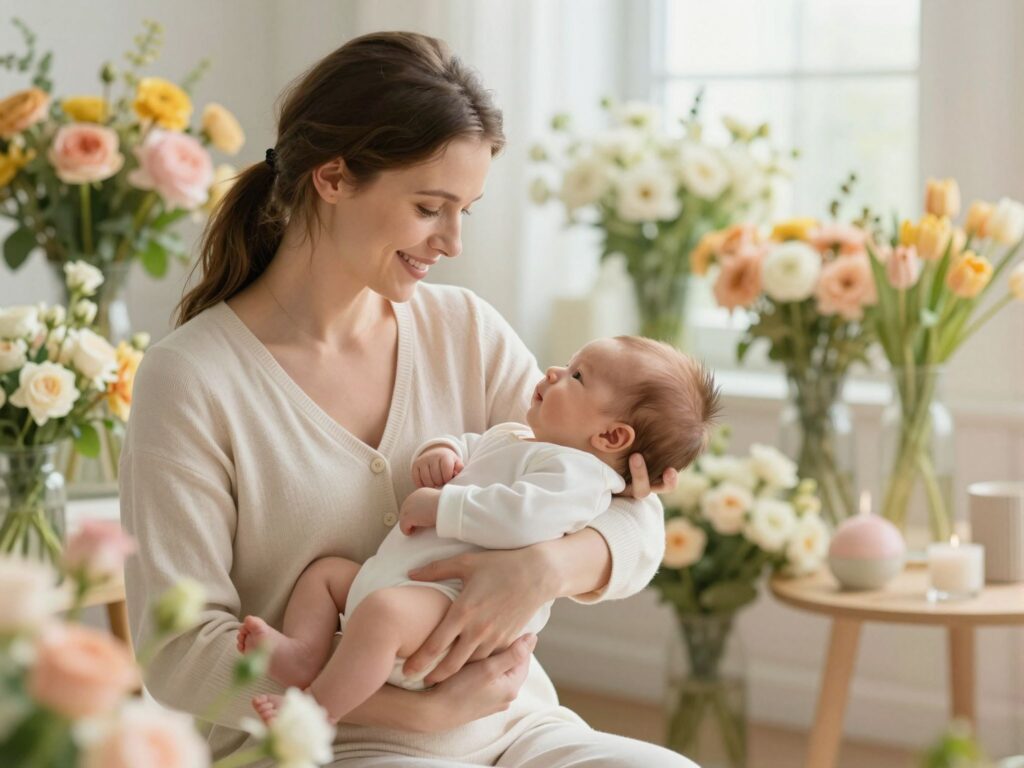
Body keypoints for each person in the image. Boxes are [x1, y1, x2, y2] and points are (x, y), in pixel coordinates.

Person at [121, 31, 698, 767]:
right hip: (323, 742)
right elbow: (177, 652)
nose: (452, 241)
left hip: (515, 726)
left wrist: (548, 568)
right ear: (332, 178)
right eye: (431, 206)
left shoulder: (466, 330)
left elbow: (631, 517)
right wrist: (415, 709)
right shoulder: (193, 379)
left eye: (468, 211)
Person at [238, 336, 720, 725]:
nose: (553, 371)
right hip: (402, 581)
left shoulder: (581, 476)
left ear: (612, 437)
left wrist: (441, 507)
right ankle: (305, 656)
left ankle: (316, 711)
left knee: (382, 616)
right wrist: (442, 452)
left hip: (447, 607)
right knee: (325, 575)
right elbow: (473, 446)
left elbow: (521, 517)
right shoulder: (521, 438)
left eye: (577, 376)